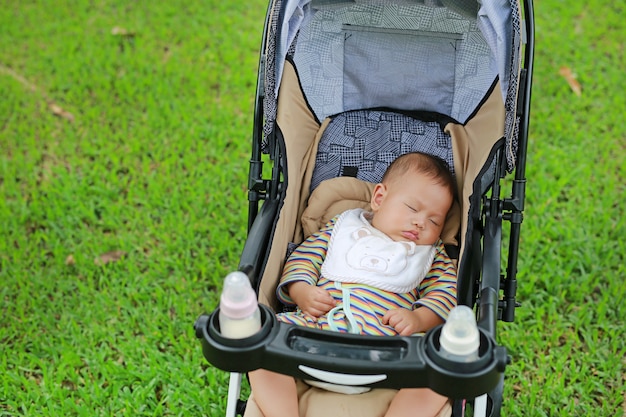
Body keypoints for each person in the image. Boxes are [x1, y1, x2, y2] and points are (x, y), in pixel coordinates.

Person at [249, 152, 457, 417]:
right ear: (380, 198)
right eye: (413, 209)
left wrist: (418, 319)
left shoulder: (430, 254)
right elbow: (304, 258)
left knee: (441, 364)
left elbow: (445, 293)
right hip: (315, 333)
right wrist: (302, 292)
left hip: (387, 348)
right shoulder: (343, 227)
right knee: (261, 337)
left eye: (434, 221)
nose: (420, 222)